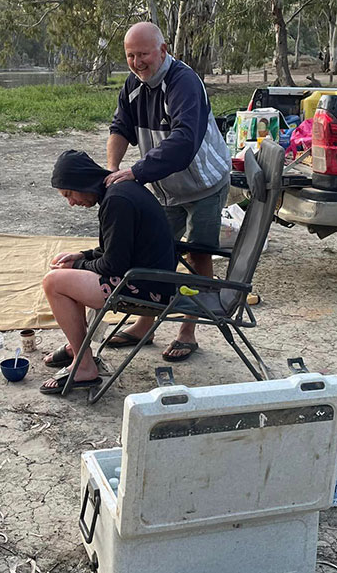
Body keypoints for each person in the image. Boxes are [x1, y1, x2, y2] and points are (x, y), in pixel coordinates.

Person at [103, 21, 230, 362]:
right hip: (166, 188)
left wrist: (136, 172)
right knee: (158, 254)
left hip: (204, 184)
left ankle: (188, 331)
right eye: (130, 55)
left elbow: (183, 142)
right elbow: (120, 127)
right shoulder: (132, 85)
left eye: (143, 54)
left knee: (198, 254)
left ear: (163, 49)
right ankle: (145, 326)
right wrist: (114, 169)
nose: (136, 62)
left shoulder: (184, 82)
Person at [39, 150, 177, 395]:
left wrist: (76, 267)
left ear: (82, 181)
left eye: (69, 194)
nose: (71, 203)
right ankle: (77, 348)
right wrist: (83, 256)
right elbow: (115, 248)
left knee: (54, 283)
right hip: (150, 278)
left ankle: (83, 365)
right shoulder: (119, 191)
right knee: (69, 277)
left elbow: (113, 265)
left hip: (146, 288)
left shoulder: (117, 200)